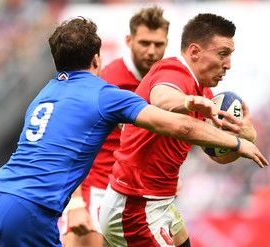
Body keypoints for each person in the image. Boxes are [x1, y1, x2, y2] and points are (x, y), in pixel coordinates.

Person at [0, 16, 268, 247]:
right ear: (97, 60)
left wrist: (245, 136)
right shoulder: (105, 93)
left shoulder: (44, 94)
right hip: (37, 205)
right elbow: (170, 117)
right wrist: (238, 143)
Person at [99, 13, 261, 247]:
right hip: (136, 205)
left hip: (158, 201)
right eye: (223, 54)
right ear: (195, 52)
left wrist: (246, 137)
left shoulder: (203, 92)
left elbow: (218, 155)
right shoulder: (172, 72)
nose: (228, 64)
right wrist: (187, 103)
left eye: (230, 55)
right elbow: (162, 97)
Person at [59, 5, 171, 247]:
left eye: (158, 44)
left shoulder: (167, 83)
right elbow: (70, 142)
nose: (151, 51)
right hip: (97, 189)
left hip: (140, 195)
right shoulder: (108, 81)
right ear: (129, 41)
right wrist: (76, 202)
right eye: (144, 43)